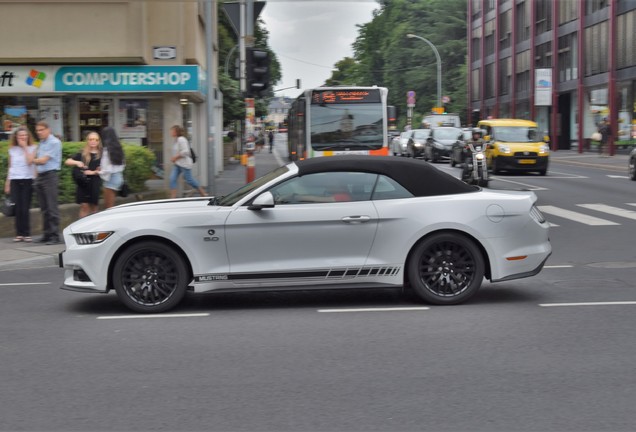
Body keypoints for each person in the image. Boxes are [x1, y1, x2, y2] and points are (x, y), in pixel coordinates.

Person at [4, 126, 37, 242]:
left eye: (25, 135)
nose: (23, 137)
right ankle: (19, 234)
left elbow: (30, 162)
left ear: (28, 136)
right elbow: (11, 167)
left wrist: (25, 148)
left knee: (25, 207)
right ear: (16, 137)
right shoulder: (12, 149)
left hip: (27, 179)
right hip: (15, 180)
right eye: (20, 136)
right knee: (17, 208)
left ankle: (27, 233)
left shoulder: (33, 148)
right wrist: (8, 182)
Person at [33, 121, 62, 245]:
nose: (39, 132)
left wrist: (32, 160)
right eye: (37, 131)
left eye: (41, 130)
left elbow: (43, 160)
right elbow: (38, 161)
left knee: (51, 207)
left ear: (48, 129)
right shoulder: (42, 143)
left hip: (50, 176)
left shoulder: (54, 142)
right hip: (41, 176)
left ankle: (55, 236)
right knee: (44, 208)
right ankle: (46, 234)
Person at [65, 131, 102, 218]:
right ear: (87, 141)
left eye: (96, 139)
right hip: (83, 182)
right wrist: (77, 162)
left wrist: (93, 172)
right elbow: (67, 161)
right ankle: (81, 229)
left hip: (95, 182)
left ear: (99, 141)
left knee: (94, 208)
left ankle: (94, 229)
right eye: (91, 139)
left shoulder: (102, 154)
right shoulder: (82, 153)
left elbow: (106, 170)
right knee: (84, 207)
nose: (93, 141)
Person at [169, 125, 207, 198]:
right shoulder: (176, 140)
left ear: (176, 132)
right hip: (177, 164)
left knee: (189, 180)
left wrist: (175, 157)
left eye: (172, 131)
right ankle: (172, 198)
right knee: (172, 178)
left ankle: (203, 193)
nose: (171, 132)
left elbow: (186, 151)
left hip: (184, 164)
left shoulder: (181, 139)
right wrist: (174, 159)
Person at [99, 127, 126, 209]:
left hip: (111, 178)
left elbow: (108, 169)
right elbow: (123, 164)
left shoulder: (106, 150)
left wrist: (99, 171)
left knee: (108, 207)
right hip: (119, 177)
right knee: (110, 205)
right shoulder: (118, 148)